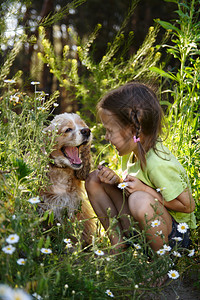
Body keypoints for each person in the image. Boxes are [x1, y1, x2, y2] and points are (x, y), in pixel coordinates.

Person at [85, 82, 196, 252]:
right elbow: (134, 189)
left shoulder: (158, 163)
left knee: (139, 200)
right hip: (145, 224)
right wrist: (116, 181)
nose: (106, 137)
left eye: (110, 131)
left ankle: (162, 265)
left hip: (174, 237)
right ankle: (119, 249)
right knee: (94, 180)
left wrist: (144, 190)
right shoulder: (131, 152)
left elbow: (188, 205)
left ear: (133, 130)